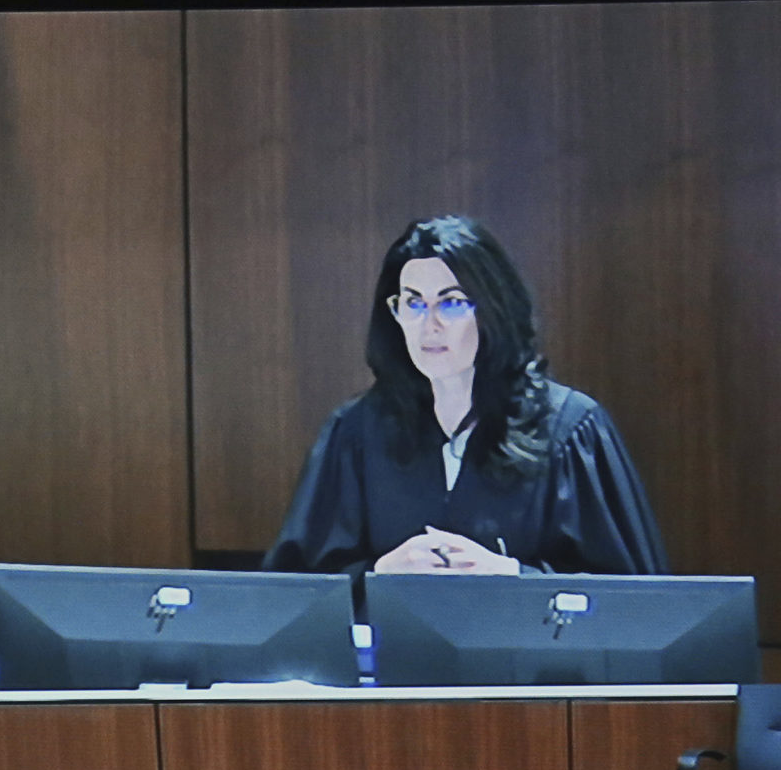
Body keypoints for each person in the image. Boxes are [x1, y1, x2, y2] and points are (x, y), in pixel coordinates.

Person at [262, 214, 668, 579]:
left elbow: (633, 604)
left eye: (452, 303)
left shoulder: (570, 429)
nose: (429, 326)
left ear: (493, 311)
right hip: (394, 659)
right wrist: (380, 573)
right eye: (414, 303)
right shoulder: (354, 432)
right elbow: (291, 595)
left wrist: (511, 576)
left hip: (524, 660)